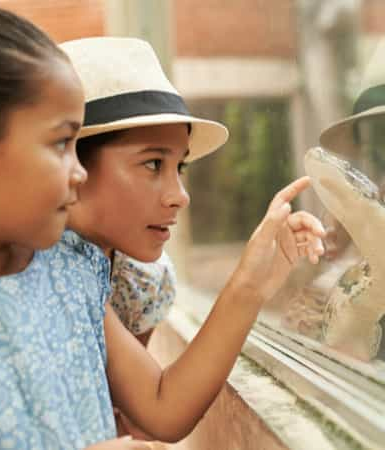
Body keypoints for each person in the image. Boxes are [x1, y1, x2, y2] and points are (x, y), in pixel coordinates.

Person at [0, 14, 324, 449]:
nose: (78, 172)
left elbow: (164, 406)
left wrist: (252, 281)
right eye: (62, 144)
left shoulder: (73, 275)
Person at [58, 37, 325, 442]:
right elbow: (159, 410)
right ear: (71, 165)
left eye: (178, 166)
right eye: (152, 163)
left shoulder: (140, 282)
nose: (179, 195)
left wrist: (254, 282)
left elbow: (142, 412)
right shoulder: (41, 264)